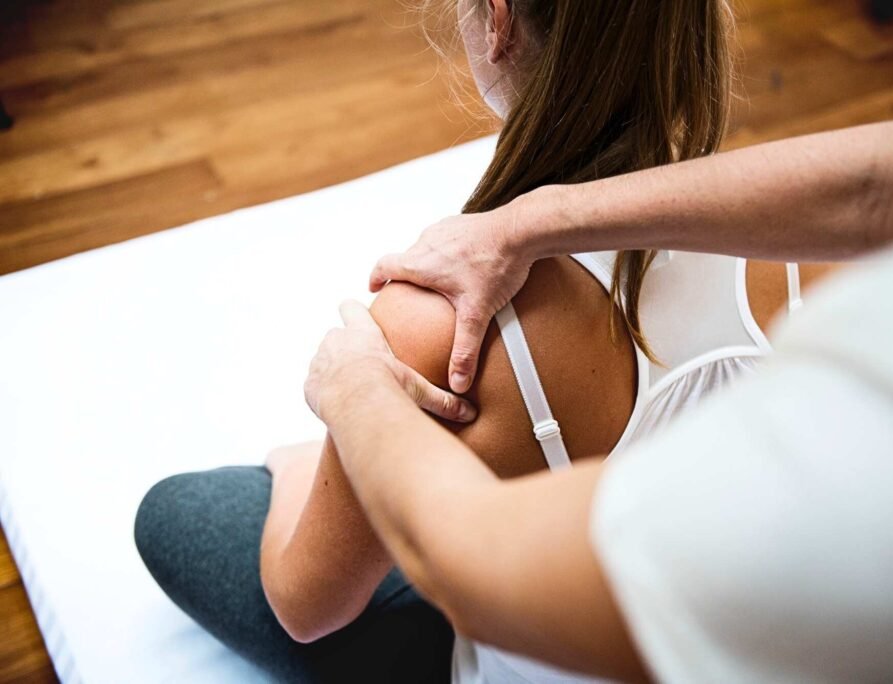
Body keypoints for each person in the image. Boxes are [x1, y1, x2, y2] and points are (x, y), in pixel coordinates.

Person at [136, 0, 771, 682]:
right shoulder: (801, 241)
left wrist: (312, 455)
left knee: (178, 515)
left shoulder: (439, 326)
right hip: (726, 629)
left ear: (498, 19)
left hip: (558, 642)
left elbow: (305, 608)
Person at [305, 113, 893, 681]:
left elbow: (373, 586)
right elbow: (871, 188)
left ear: (495, 21)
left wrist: (358, 394)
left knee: (203, 514)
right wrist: (531, 221)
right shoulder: (835, 276)